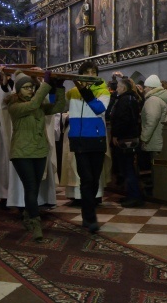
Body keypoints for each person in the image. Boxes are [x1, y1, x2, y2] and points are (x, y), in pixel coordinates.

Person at [5, 70, 66, 241]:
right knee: (31, 187)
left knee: (35, 187)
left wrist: (59, 88)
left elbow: (59, 108)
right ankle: (35, 222)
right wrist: (46, 84)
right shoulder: (15, 106)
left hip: (39, 151)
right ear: (18, 91)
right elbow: (32, 105)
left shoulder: (37, 103)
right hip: (21, 153)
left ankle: (27, 214)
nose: (30, 90)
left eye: (31, 87)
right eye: (25, 88)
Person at [66, 61, 111, 233]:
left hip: (97, 140)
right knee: (86, 179)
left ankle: (87, 214)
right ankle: (90, 218)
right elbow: (56, 104)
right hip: (79, 140)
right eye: (86, 71)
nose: (89, 75)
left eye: (93, 72)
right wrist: (55, 87)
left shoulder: (103, 91)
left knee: (93, 180)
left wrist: (85, 90)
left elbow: (99, 108)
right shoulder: (72, 93)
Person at [109, 78, 143, 207]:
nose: (116, 89)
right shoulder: (132, 98)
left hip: (125, 138)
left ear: (123, 88)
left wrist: (116, 135)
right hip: (130, 136)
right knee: (127, 168)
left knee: (128, 168)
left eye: (118, 87)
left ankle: (134, 196)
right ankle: (130, 195)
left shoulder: (124, 100)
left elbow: (122, 120)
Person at [139, 74, 167, 196]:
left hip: (153, 138)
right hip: (158, 137)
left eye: (146, 87)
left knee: (155, 168)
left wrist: (144, 137)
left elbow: (151, 120)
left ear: (151, 88)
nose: (144, 89)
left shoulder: (153, 100)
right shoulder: (160, 98)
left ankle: (156, 192)